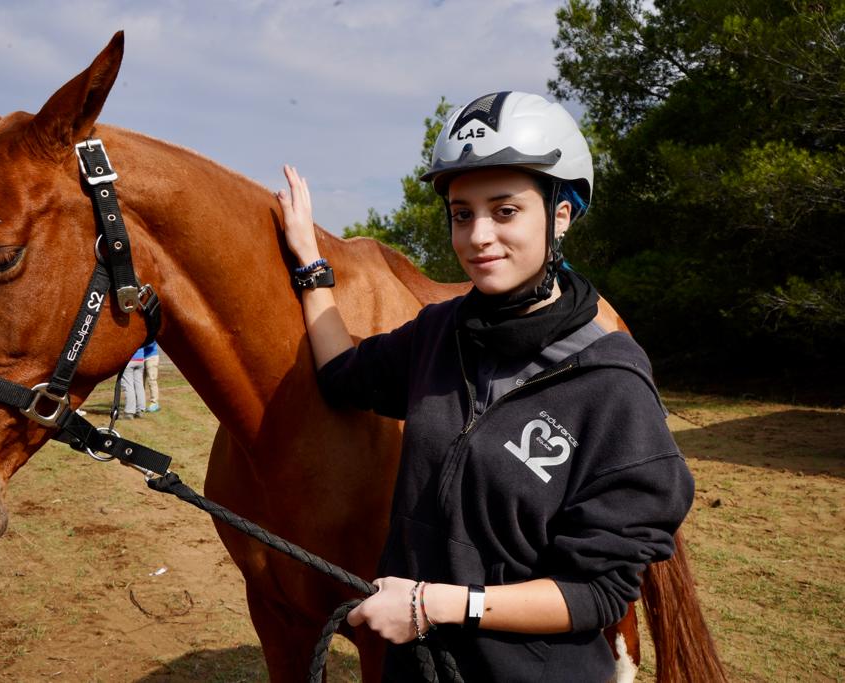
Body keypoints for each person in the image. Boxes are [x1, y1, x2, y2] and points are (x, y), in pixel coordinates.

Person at [275, 91, 694, 682]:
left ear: (561, 213)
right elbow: (344, 376)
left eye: (505, 211)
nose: (477, 237)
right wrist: (311, 268)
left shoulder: (613, 387)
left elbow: (595, 594)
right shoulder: (437, 335)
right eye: (461, 213)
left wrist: (434, 605)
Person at [120, 346, 146, 419]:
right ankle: (140, 410)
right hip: (140, 359)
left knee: (128, 386)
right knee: (139, 386)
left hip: (129, 360)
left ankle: (129, 412)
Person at [143, 341, 161, 412]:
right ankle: (141, 403)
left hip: (151, 357)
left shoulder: (151, 331)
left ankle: (154, 403)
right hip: (141, 357)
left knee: (152, 381)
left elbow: (151, 344)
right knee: (140, 382)